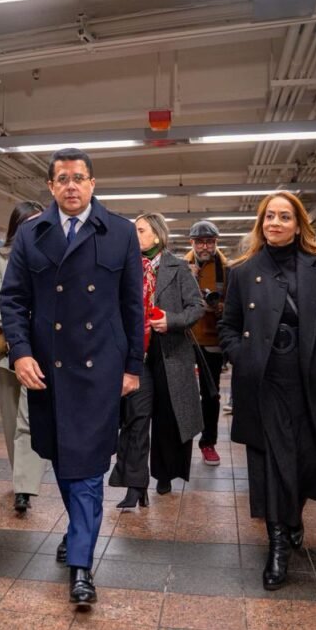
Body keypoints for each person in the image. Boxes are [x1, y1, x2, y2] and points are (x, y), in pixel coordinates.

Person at [1, 148, 143, 607]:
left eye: (79, 177)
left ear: (93, 183)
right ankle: (78, 529)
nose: (71, 185)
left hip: (100, 368)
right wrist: (20, 353)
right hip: (48, 369)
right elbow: (13, 300)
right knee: (63, 459)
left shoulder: (120, 231)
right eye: (62, 178)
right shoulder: (31, 233)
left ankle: (81, 566)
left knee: (87, 467)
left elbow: (132, 306)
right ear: (50, 186)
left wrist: (133, 366)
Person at [218, 192, 316, 591]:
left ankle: (293, 515)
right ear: (261, 224)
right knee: (274, 459)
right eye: (269, 216)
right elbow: (228, 325)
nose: (275, 223)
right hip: (266, 379)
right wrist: (242, 356)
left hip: (311, 377)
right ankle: (278, 544)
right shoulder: (243, 271)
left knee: (310, 458)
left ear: (298, 225)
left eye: (284, 217)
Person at [110, 213, 204, 508]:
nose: (134, 235)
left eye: (140, 230)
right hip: (136, 356)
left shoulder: (178, 267)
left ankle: (164, 475)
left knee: (167, 418)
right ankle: (135, 485)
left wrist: (171, 320)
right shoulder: (125, 266)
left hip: (169, 354)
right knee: (136, 419)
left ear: (157, 235)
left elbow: (197, 306)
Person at [0, 201, 47, 512]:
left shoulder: (52, 255)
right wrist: (21, 339)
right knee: (12, 420)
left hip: (45, 351)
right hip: (9, 349)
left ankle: (24, 486)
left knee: (29, 419)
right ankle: (19, 477)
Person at [184, 219, 227, 465]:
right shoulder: (181, 266)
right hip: (185, 339)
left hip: (212, 340)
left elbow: (236, 304)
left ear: (215, 242)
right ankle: (181, 442)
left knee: (211, 395)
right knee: (182, 393)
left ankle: (208, 442)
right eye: (199, 242)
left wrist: (220, 308)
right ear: (192, 242)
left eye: (209, 242)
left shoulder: (226, 269)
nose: (204, 247)